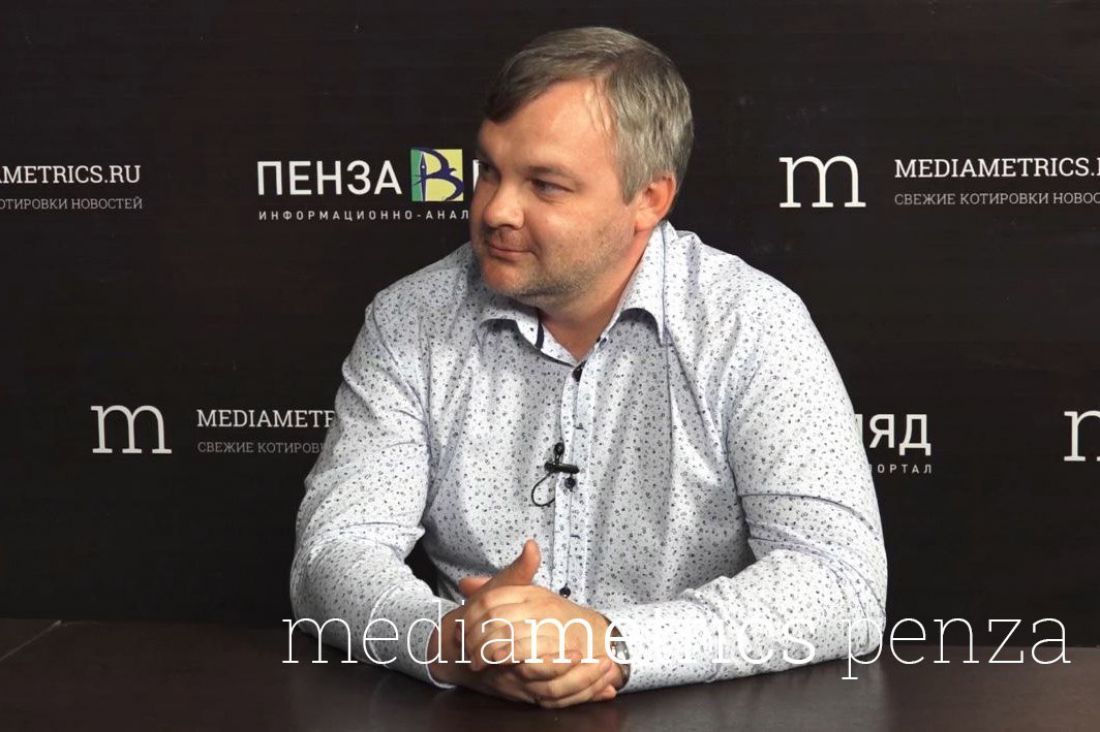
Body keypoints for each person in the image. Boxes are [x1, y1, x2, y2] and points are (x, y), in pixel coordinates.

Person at [289, 26, 887, 709]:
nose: (495, 210)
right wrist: (448, 641)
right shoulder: (409, 320)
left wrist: (614, 645)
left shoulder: (751, 324)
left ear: (649, 199)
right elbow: (333, 553)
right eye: (489, 170)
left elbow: (840, 581)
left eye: (545, 185)